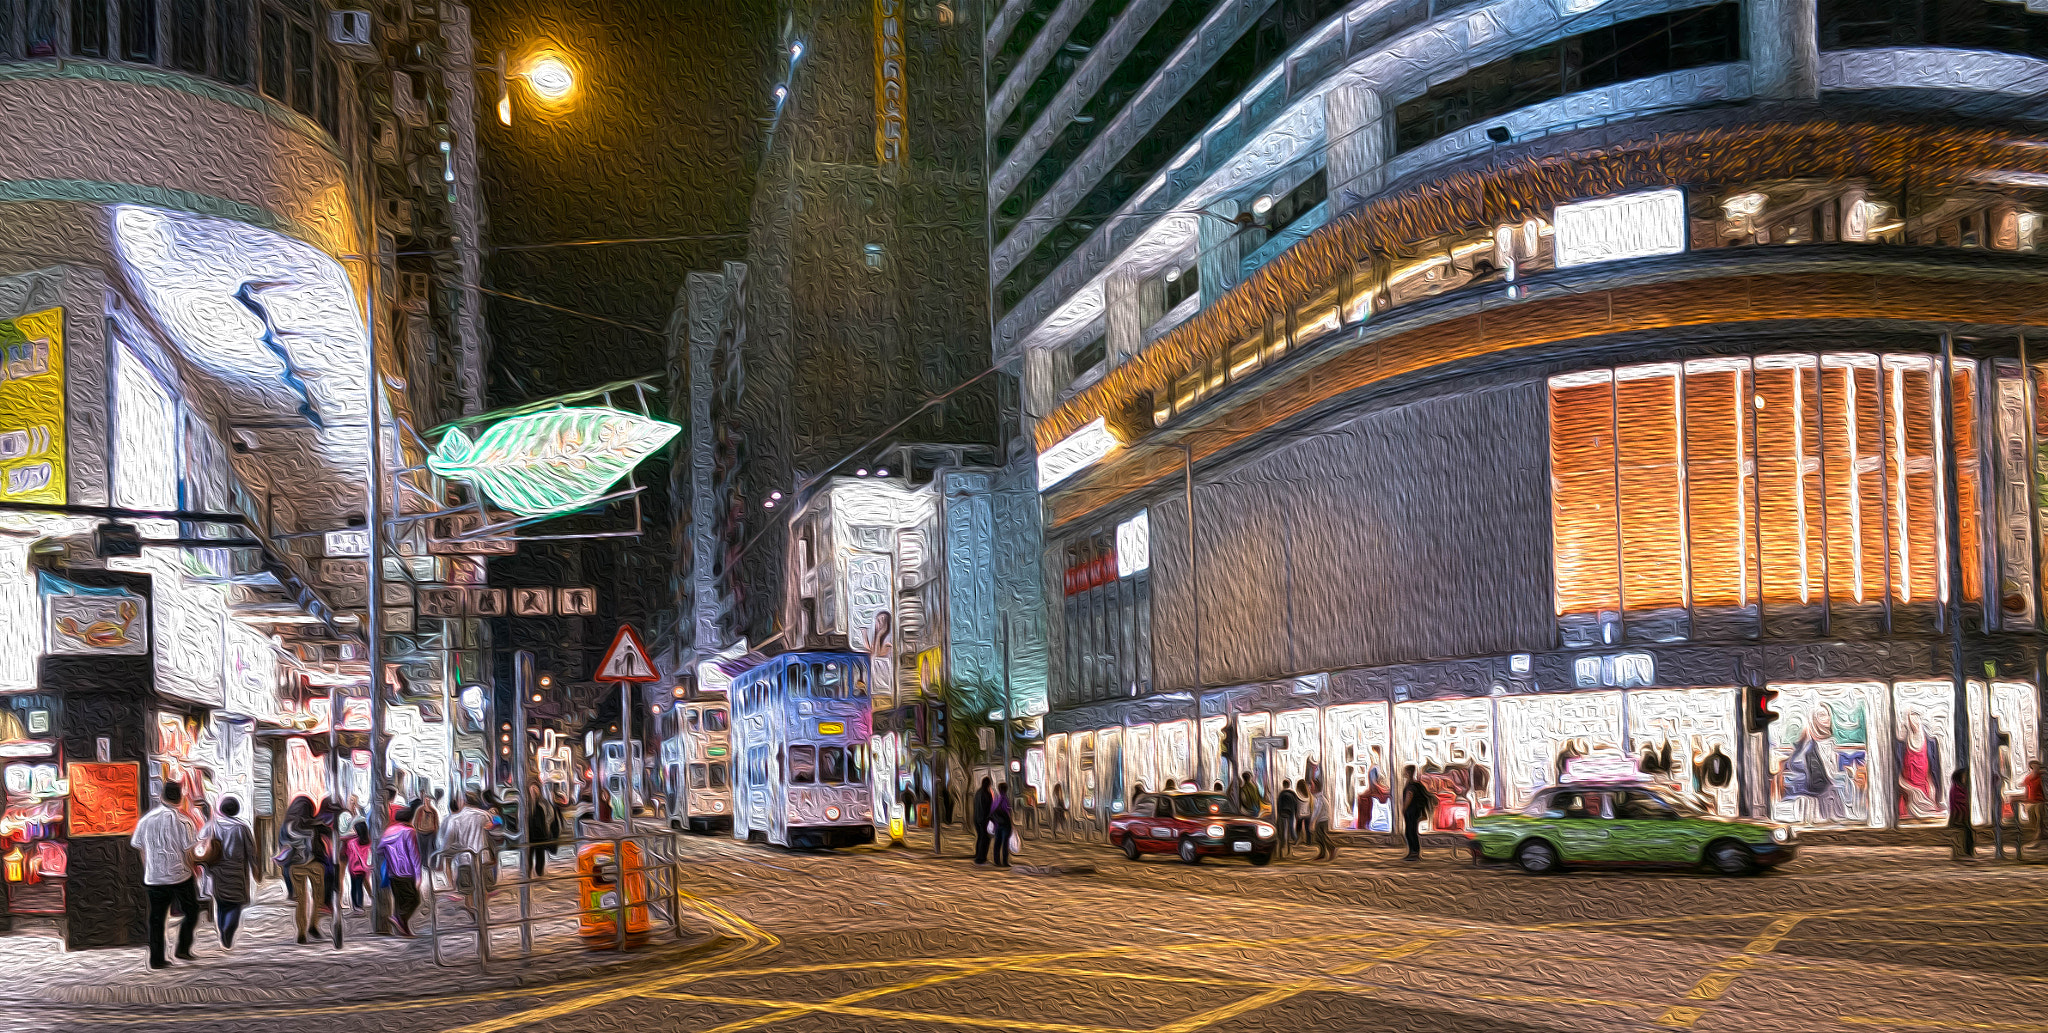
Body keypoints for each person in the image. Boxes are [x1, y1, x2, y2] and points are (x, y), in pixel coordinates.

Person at [131, 783, 200, 969]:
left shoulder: (146, 820)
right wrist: (193, 866)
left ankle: (157, 959)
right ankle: (182, 949)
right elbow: (189, 852)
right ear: (180, 799)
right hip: (181, 875)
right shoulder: (185, 822)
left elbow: (140, 848)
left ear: (162, 797)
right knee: (192, 911)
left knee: (157, 919)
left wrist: (148, 868)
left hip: (154, 877)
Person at [198, 796, 256, 949]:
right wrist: (255, 869)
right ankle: (228, 930)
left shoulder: (211, 826)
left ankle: (223, 930)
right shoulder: (242, 828)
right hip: (236, 872)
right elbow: (251, 852)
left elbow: (200, 847)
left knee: (221, 903)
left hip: (215, 872)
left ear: (221, 809)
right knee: (234, 904)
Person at [277, 797, 327, 944]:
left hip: (295, 865)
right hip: (314, 864)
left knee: (301, 900)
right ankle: (313, 925)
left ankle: (301, 933)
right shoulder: (314, 824)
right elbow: (328, 834)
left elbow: (282, 846)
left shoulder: (286, 826)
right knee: (318, 897)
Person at [443, 792, 497, 909]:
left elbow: (448, 841)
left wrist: (446, 853)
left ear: (463, 802)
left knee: (468, 891)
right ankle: (482, 910)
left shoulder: (455, 819)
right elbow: (492, 829)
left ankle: (473, 911)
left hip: (464, 859)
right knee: (483, 887)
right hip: (483, 857)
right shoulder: (484, 815)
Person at [379, 807, 424, 936]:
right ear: (410, 818)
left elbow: (379, 849)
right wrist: (418, 876)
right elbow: (414, 854)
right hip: (407, 871)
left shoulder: (388, 831)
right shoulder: (409, 832)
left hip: (392, 871)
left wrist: (391, 854)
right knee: (415, 899)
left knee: (399, 901)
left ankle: (403, 929)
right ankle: (398, 918)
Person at [527, 782, 562, 878]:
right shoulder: (528, 805)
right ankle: (529, 873)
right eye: (532, 791)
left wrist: (547, 832)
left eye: (535, 791)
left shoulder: (541, 804)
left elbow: (548, 819)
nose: (534, 793)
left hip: (540, 835)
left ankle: (539, 872)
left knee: (539, 855)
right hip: (529, 835)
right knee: (529, 855)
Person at [1400, 765, 1431, 861]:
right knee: (1412, 831)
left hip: (1411, 811)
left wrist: (1404, 808)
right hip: (1415, 811)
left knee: (1410, 832)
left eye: (1406, 772)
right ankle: (1414, 852)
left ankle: (1414, 853)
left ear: (1409, 773)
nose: (1404, 773)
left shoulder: (1411, 785)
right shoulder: (1416, 785)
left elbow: (1409, 796)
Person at [344, 821, 374, 915]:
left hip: (353, 868)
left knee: (353, 887)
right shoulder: (369, 842)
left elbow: (348, 853)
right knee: (360, 887)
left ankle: (355, 906)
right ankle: (360, 906)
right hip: (363, 869)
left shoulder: (351, 842)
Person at [1949, 770, 1976, 860]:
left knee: (1968, 833)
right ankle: (1964, 852)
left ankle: (1968, 852)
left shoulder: (1962, 788)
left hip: (1964, 815)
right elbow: (1957, 802)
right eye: (1963, 777)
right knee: (1963, 833)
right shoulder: (1956, 789)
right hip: (1959, 816)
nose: (1965, 779)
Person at [2022, 761, 2045, 851]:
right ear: (2031, 768)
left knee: (2039, 820)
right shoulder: (2028, 778)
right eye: (2034, 767)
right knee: (2032, 821)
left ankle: (2037, 839)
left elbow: (2044, 789)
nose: (2036, 768)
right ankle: (2036, 838)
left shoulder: (2041, 777)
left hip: (2039, 802)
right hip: (2030, 802)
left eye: (2037, 767)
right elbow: (2026, 791)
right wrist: (2025, 802)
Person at [971, 777, 994, 866]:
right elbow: (989, 808)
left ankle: (978, 855)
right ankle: (981, 858)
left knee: (980, 837)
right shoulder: (986, 794)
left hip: (977, 818)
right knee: (985, 838)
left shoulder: (978, 793)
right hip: (984, 819)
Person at [1274, 781, 1301, 858]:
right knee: (1291, 827)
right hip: (1291, 813)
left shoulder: (1281, 794)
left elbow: (1279, 805)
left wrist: (1279, 814)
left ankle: (1283, 845)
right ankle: (1294, 840)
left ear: (1283, 785)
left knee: (1283, 830)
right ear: (1289, 785)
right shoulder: (1293, 794)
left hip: (1282, 814)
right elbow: (1296, 805)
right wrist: (1295, 813)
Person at [990, 783, 1014, 868]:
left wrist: (994, 823)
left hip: (997, 825)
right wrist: (1012, 823)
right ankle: (1004, 862)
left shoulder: (996, 800)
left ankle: (996, 861)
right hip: (1005, 825)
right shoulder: (1005, 800)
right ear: (1006, 789)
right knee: (1005, 843)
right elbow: (1007, 813)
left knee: (997, 843)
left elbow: (991, 812)